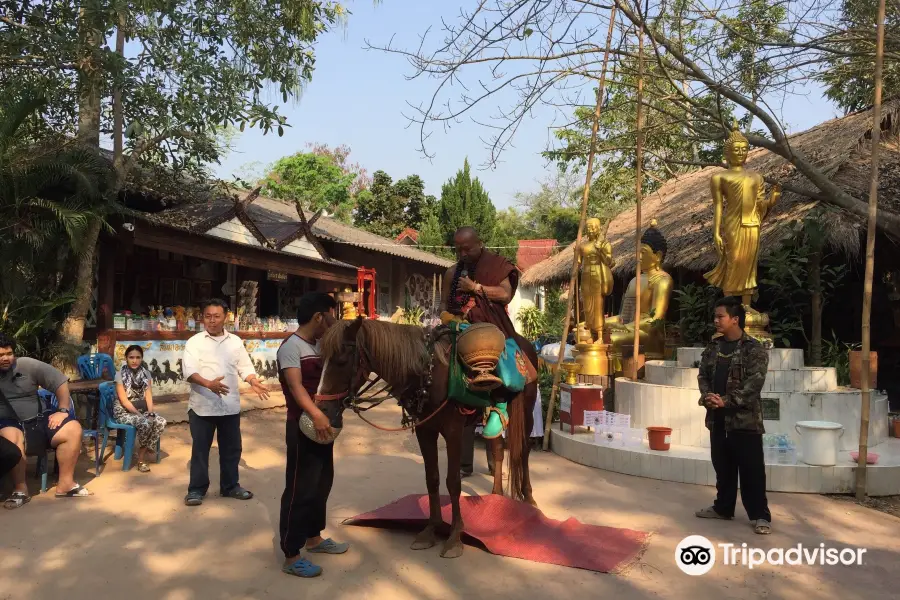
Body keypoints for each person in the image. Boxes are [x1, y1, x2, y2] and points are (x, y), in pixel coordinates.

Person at [277, 292, 348, 578]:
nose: (333, 321)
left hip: (322, 427)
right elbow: (296, 389)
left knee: (321, 484)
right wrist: (317, 415)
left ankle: (314, 538)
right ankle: (292, 554)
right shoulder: (290, 347)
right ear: (319, 317)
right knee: (299, 490)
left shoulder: (320, 344)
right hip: (301, 426)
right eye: (330, 316)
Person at [695, 296, 772, 534]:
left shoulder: (754, 349)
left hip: (744, 421)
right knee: (723, 467)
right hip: (717, 419)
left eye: (721, 316)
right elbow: (703, 376)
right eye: (715, 316)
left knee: (751, 470)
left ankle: (760, 516)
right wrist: (708, 396)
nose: (716, 321)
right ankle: (723, 508)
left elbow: (754, 385)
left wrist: (726, 401)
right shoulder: (713, 348)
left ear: (735, 319)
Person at [182, 299, 270, 506]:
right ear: (202, 318)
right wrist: (207, 384)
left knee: (232, 449)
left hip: (229, 405)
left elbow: (244, 366)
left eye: (216, 316)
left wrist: (253, 380)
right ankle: (196, 490)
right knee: (200, 450)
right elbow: (189, 371)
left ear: (225, 318)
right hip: (202, 405)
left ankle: (230, 486)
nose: (212, 321)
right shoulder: (194, 342)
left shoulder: (235, 342)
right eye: (208, 316)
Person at [0, 333, 91, 507]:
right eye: (0, 355)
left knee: (73, 429)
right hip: (7, 424)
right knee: (12, 435)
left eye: (9, 353)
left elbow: (59, 382)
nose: (6, 358)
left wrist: (63, 410)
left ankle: (65, 484)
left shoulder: (27, 364)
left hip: (39, 420)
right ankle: (20, 489)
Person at [113, 345, 167, 472]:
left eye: (138, 357)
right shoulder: (119, 375)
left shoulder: (146, 373)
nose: (134, 360)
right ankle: (141, 459)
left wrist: (150, 413)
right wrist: (141, 416)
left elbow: (148, 395)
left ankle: (146, 447)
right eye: (131, 357)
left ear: (142, 358)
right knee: (145, 423)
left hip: (141, 410)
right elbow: (124, 401)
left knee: (160, 421)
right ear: (126, 358)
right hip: (123, 411)